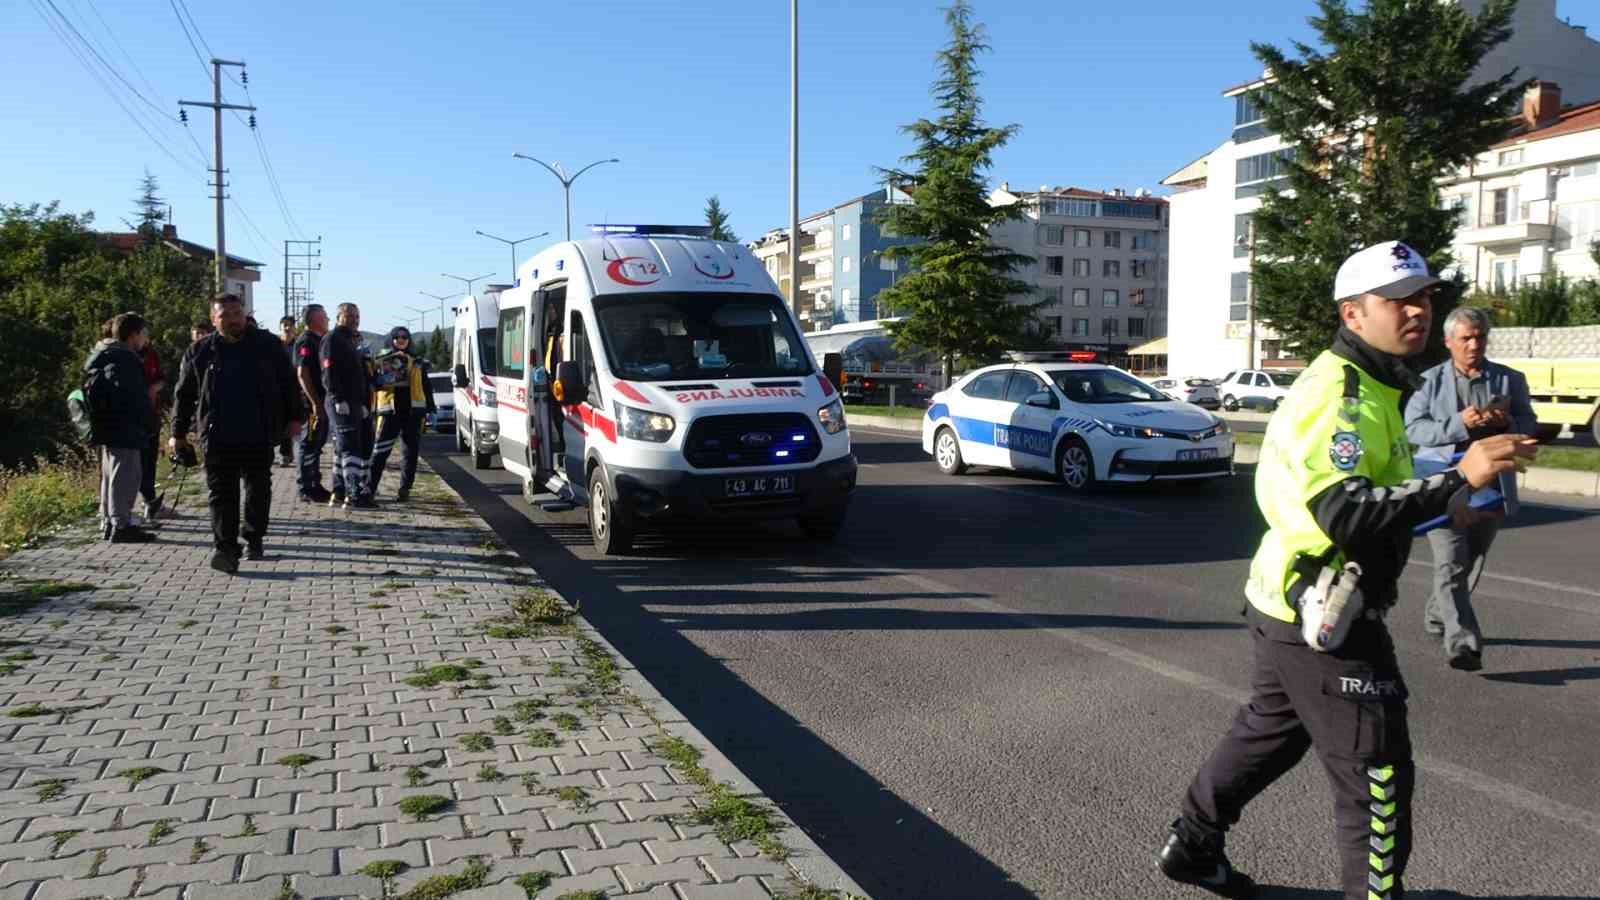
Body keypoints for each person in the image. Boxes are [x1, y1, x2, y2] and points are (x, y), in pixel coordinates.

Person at [1157, 242, 1536, 900]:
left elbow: (1373, 489)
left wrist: (1447, 501)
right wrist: (1456, 476)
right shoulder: (1345, 394)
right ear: (1354, 314)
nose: (1418, 311)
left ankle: (1193, 844)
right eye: (1399, 301)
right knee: (1378, 777)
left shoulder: (1377, 383)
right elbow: (1343, 510)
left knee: (1270, 733)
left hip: (1286, 598)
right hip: (1328, 606)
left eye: (1423, 297)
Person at [1403, 305, 1536, 672]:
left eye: (1480, 337)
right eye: (1466, 338)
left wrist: (1508, 421)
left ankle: (1436, 615)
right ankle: (1463, 643)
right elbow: (1412, 429)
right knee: (1451, 560)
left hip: (1491, 484)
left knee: (1472, 558)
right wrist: (1458, 424)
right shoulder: (1428, 382)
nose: (1475, 344)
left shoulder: (1510, 379)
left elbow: (1529, 422)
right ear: (1448, 342)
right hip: (1442, 482)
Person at [171, 294, 305, 574]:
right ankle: (225, 548)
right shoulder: (200, 351)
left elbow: (288, 383)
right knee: (221, 493)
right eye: (225, 315)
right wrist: (178, 433)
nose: (233, 319)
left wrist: (295, 417)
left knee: (258, 488)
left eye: (237, 313)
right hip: (217, 432)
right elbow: (184, 395)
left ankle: (253, 537)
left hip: (259, 430)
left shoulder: (267, 345)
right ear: (213, 319)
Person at [85, 312, 157, 543]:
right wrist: (144, 418)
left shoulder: (104, 353)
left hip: (108, 426)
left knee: (111, 475)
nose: (145, 339)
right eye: (143, 334)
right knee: (125, 475)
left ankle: (110, 520)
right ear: (134, 334)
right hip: (123, 427)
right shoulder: (122, 358)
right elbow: (130, 395)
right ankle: (121, 524)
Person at [321, 302, 377, 509]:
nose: (354, 320)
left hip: (355, 402)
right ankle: (355, 493)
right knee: (350, 448)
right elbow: (328, 372)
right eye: (349, 316)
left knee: (356, 447)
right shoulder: (332, 339)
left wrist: (362, 403)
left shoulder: (350, 341)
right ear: (338, 318)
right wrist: (337, 399)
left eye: (356, 316)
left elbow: (359, 375)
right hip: (341, 402)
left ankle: (340, 490)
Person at [367, 326, 431, 501]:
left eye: (405, 337)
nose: (401, 340)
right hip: (390, 412)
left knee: (410, 454)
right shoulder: (381, 359)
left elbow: (426, 386)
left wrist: (429, 410)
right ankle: (369, 489)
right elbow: (371, 381)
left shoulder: (417, 361)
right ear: (391, 339)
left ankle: (405, 490)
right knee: (380, 452)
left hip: (412, 413)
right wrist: (382, 376)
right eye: (397, 337)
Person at [291, 304, 333, 503]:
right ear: (315, 319)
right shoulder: (306, 340)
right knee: (309, 444)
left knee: (316, 445)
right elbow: (302, 373)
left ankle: (314, 483)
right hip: (311, 404)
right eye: (325, 316)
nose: (328, 319)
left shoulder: (320, 340)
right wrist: (315, 402)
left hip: (321, 401)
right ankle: (306, 487)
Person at [138, 339, 166, 522]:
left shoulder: (151, 353)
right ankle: (123, 513)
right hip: (135, 417)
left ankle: (151, 502)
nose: (145, 337)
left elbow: (161, 378)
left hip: (152, 414)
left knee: (150, 460)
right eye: (142, 333)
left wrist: (155, 387)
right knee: (135, 464)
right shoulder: (126, 356)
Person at [277, 315, 300, 468]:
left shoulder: (298, 345)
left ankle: (286, 452)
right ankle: (285, 450)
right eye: (284, 325)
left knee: (291, 419)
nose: (287, 328)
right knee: (279, 420)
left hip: (295, 387)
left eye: (289, 325)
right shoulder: (274, 344)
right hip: (277, 387)